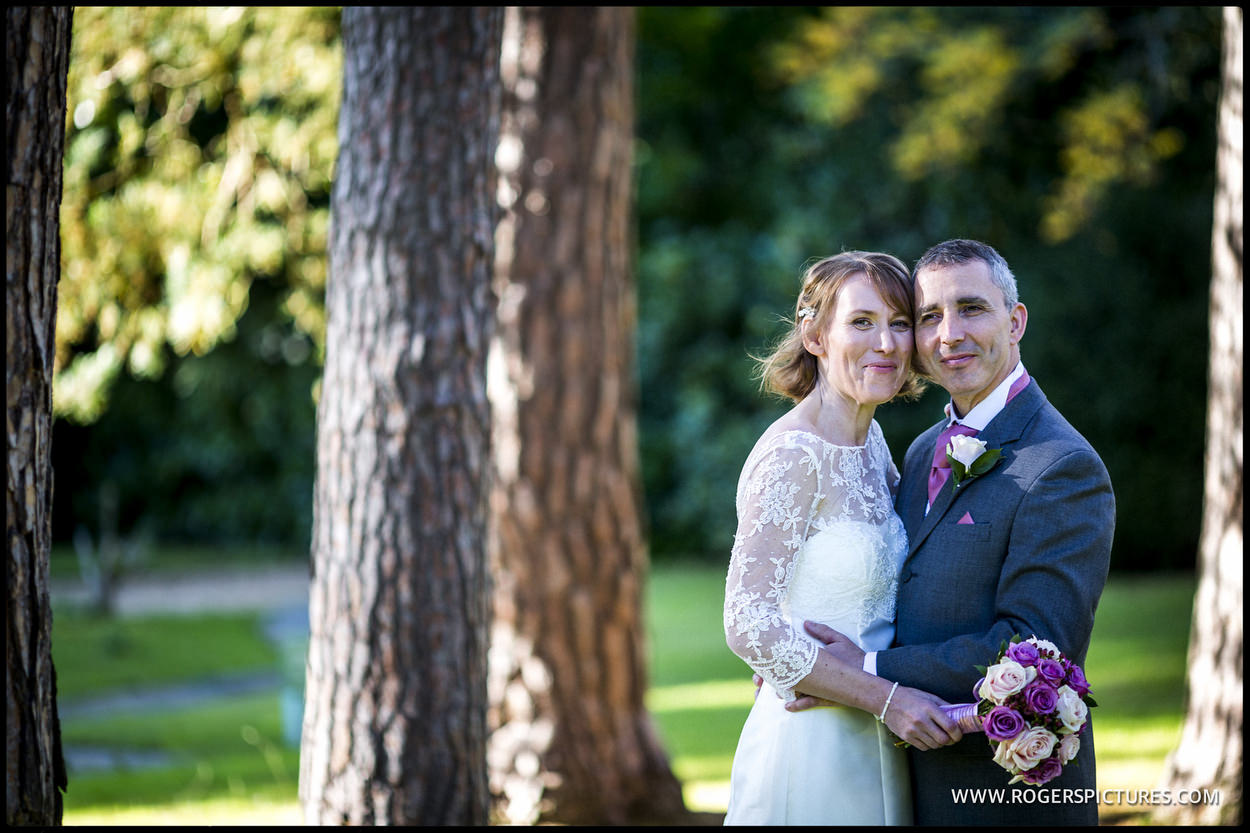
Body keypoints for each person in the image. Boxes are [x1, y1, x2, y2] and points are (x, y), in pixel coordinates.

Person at [796, 239, 1115, 825]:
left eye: (971, 308)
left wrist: (864, 671)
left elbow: (1034, 646)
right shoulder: (920, 452)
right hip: (901, 775)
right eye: (928, 317)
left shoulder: (1060, 466)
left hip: (1003, 792)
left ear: (1015, 321)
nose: (949, 334)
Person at [722, 251, 961, 826]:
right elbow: (748, 622)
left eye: (900, 323)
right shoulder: (792, 455)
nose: (885, 343)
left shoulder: (873, 443)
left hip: (883, 735)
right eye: (861, 322)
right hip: (810, 742)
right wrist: (885, 698)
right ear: (814, 333)